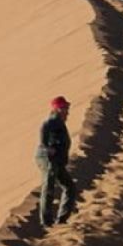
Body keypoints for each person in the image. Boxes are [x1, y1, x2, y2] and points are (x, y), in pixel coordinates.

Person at [37, 96, 78, 226]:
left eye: (67, 107)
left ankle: (62, 219)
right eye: (64, 108)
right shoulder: (53, 120)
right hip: (49, 160)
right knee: (48, 188)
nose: (67, 111)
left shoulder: (59, 122)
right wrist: (46, 147)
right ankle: (46, 221)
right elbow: (43, 128)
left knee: (69, 187)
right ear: (58, 109)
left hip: (57, 161)